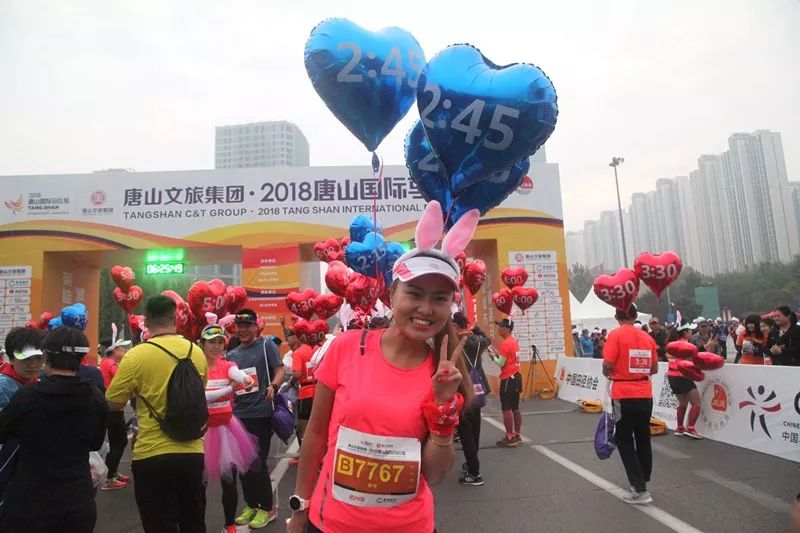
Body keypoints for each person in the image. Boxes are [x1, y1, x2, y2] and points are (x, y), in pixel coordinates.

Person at [286, 200, 475, 533]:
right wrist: (300, 505)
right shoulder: (347, 347)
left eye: (440, 298)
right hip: (331, 524)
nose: (425, 308)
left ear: (450, 305)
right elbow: (315, 433)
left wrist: (444, 409)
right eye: (414, 294)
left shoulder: (443, 373)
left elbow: (435, 474)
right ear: (391, 294)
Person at [105, 295, 208, 533]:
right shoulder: (196, 351)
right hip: (192, 452)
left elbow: (112, 401)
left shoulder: (136, 356)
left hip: (152, 454)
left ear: (148, 321)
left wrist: (138, 392)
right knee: (193, 522)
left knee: (159, 524)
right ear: (175, 319)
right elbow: (198, 392)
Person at [0, 326, 107, 532]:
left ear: (46, 357)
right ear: (82, 358)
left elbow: (3, 432)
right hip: (78, 499)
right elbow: (95, 443)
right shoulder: (96, 397)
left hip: (30, 500)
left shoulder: (28, 396)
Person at [226, 308, 285, 529]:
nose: (242, 330)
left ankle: (267, 508)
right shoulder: (232, 354)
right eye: (239, 326)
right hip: (238, 415)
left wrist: (274, 386)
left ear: (255, 327)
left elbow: (280, 370)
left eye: (247, 326)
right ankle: (251, 505)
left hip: (260, 413)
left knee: (257, 463)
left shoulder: (266, 346)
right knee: (242, 464)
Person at [199, 324, 258, 533]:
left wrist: (245, 379)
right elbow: (202, 397)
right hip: (202, 432)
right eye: (211, 342)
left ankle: (230, 524)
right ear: (202, 343)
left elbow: (238, 373)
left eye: (220, 342)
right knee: (199, 485)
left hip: (227, 431)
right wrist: (229, 389)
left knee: (230, 482)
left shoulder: (228, 365)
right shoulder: (196, 367)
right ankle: (198, 526)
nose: (216, 346)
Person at [602, 304, 659, 505]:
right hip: (645, 392)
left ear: (616, 317)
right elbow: (654, 368)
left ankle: (639, 488)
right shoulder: (647, 337)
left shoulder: (615, 335)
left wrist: (610, 371)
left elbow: (607, 364)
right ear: (635, 316)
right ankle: (643, 479)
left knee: (624, 440)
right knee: (643, 437)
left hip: (623, 393)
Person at [0, 326, 45, 501]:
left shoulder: (35, 381)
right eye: (26, 359)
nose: (32, 364)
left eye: (37, 358)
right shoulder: (4, 386)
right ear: (11, 357)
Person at [98, 328, 132, 490]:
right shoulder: (110, 364)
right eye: (121, 348)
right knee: (119, 441)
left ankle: (113, 472)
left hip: (113, 408)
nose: (124, 351)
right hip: (113, 409)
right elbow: (123, 378)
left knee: (117, 441)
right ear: (113, 350)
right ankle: (109, 478)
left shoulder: (106, 362)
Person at [457, 322, 490, 486]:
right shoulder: (478, 342)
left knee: (465, 435)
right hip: (478, 390)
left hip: (463, 392)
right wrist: (477, 330)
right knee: (475, 431)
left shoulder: (455, 342)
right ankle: (472, 462)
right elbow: (488, 339)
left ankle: (474, 473)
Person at [666, 323, 703, 439]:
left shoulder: (672, 345)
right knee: (696, 402)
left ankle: (680, 428)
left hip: (672, 376)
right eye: (690, 330)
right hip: (683, 376)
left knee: (682, 403)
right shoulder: (686, 345)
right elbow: (695, 359)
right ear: (685, 332)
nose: (692, 332)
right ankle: (690, 428)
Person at [493, 318, 522, 447]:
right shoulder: (513, 341)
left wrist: (493, 356)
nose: (499, 329)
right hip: (516, 376)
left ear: (506, 329)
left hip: (508, 378)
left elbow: (500, 363)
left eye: (501, 326)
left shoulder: (505, 343)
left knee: (506, 409)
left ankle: (509, 436)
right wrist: (498, 355)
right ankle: (517, 434)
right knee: (515, 408)